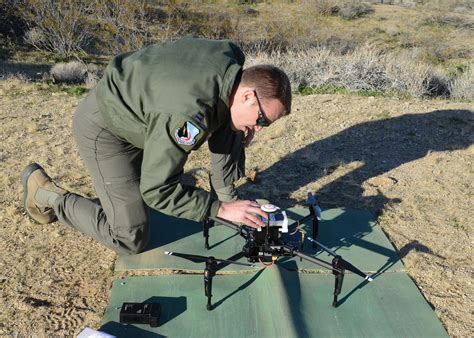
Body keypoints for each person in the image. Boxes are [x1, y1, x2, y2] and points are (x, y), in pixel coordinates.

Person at [21, 37, 292, 255]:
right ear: (247, 95)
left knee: (230, 123)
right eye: (261, 120)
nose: (258, 129)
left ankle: (226, 195)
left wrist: (228, 197)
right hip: (107, 130)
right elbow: (157, 190)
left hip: (146, 113)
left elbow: (223, 114)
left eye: (264, 125)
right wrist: (217, 210)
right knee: (130, 237)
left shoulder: (232, 61)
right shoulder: (189, 116)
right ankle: (46, 194)